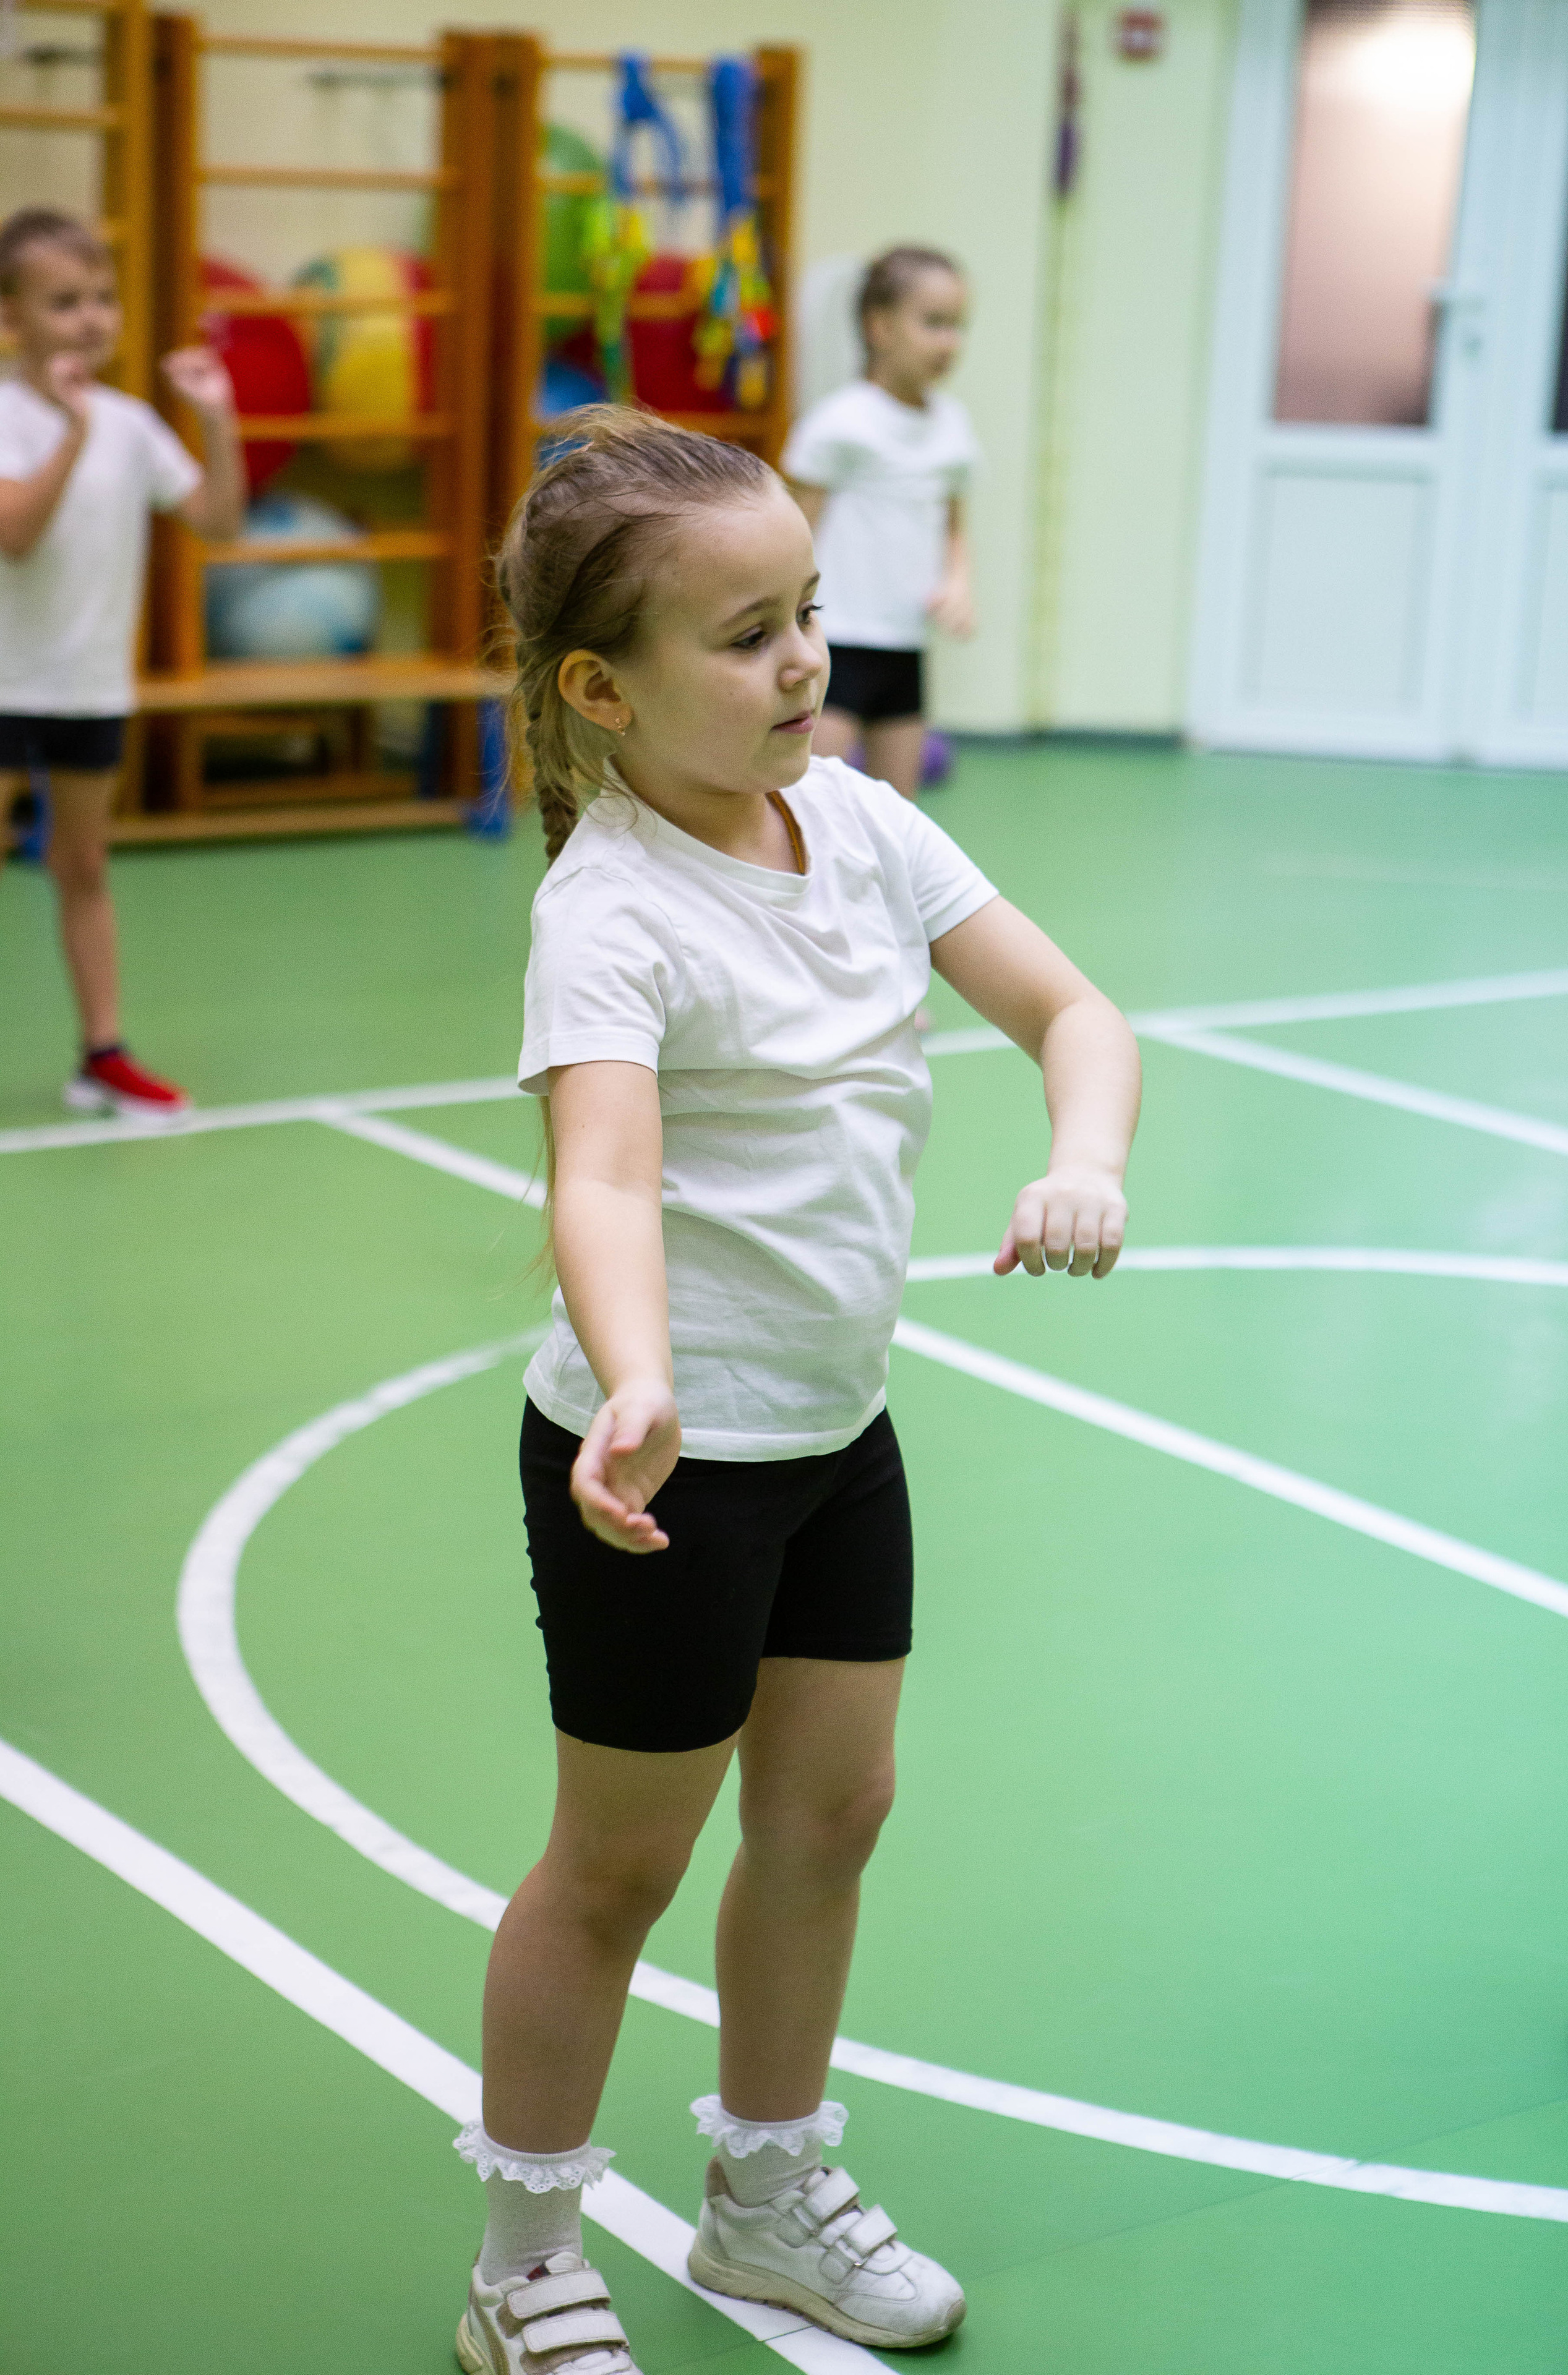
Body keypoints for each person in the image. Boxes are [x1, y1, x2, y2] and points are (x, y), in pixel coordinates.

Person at [453, 405, 1139, 2375]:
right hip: (664, 1463)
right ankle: (523, 2263)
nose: (804, 661)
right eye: (747, 634)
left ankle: (763, 2195)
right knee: (620, 1865)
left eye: (809, 613)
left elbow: (1071, 1010)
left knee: (830, 1820)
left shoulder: (864, 823)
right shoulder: (610, 910)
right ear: (603, 688)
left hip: (838, 1433)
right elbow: (600, 1176)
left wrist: (1083, 1155)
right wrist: (638, 1376)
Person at [0, 206, 244, 1116]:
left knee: (84, 866)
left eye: (103, 298)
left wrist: (216, 419)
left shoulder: (131, 422)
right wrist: (70, 432)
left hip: (89, 685)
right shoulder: (12, 415)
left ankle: (102, 1053)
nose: (91, 318)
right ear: (12, 318)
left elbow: (219, 521)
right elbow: (17, 533)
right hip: (5, 682)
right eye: (64, 302)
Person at [781, 246, 976, 805]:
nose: (950, 342)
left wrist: (959, 583)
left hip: (905, 643)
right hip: (836, 640)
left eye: (958, 326)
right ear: (880, 327)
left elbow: (954, 525)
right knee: (813, 802)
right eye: (934, 323)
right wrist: (785, 621)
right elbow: (795, 530)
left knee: (896, 813)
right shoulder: (840, 423)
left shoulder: (953, 425)